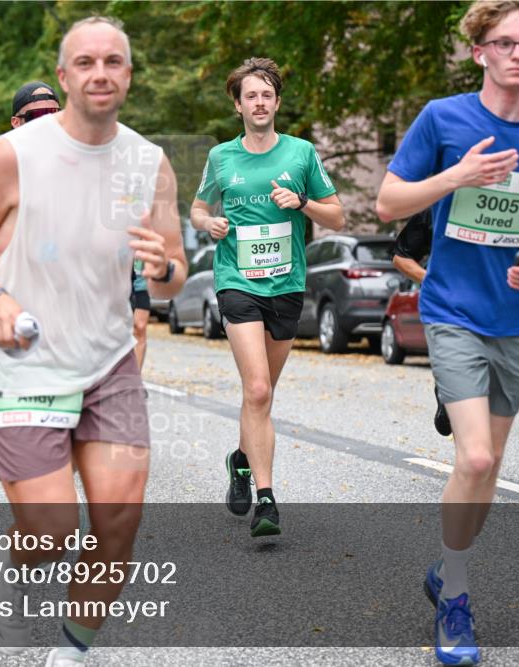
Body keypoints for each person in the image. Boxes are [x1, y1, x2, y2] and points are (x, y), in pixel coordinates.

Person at [0, 17, 186, 666]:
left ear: (128, 74)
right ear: (66, 73)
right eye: (86, 61)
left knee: (118, 523)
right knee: (49, 531)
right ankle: (14, 571)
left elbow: (171, 275)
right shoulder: (12, 155)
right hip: (23, 362)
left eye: (114, 61)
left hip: (108, 363)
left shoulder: (150, 164)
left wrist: (163, 271)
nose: (100, 72)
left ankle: (70, 652)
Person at [375, 2, 519, 663]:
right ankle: (457, 598)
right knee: (477, 459)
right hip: (451, 310)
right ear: (480, 53)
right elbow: (387, 203)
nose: (518, 54)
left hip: (516, 319)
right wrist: (458, 175)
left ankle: (446, 567)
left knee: (486, 471)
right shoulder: (444, 118)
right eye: (505, 43)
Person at [191, 57, 345, 538]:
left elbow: (337, 217)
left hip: (286, 284)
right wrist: (208, 223)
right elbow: (198, 208)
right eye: (250, 96)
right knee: (256, 389)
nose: (259, 103)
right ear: (237, 106)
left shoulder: (301, 154)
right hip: (237, 279)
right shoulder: (221, 158)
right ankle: (267, 500)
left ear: (277, 103)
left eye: (266, 95)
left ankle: (240, 457)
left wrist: (302, 203)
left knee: (263, 395)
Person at [391, 209, 453, 437]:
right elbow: (400, 256)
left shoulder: (513, 201)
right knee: (463, 396)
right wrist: (433, 282)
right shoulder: (438, 206)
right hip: (451, 311)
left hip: (499, 309)